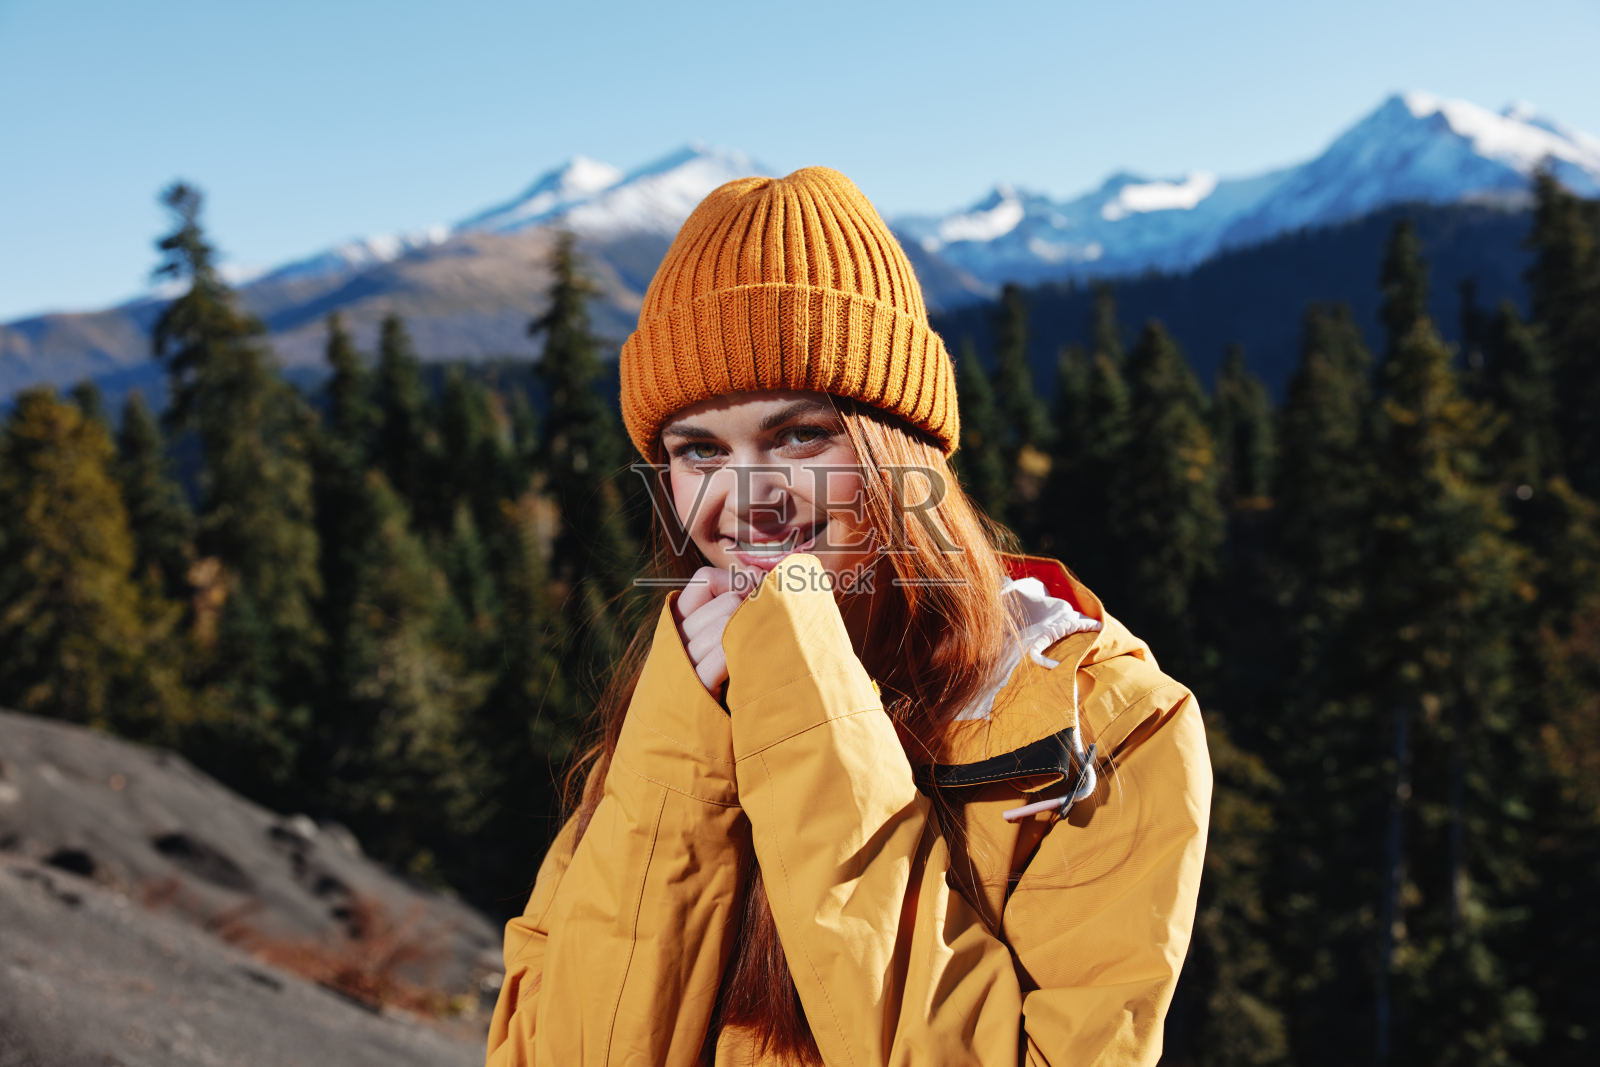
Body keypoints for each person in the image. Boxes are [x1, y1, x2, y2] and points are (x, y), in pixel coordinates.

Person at [485, 167, 1211, 1066]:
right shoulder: (676, 702)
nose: (747, 499)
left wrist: (806, 712)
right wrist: (683, 752)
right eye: (699, 449)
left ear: (898, 447)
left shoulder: (1103, 724)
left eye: (799, 434)